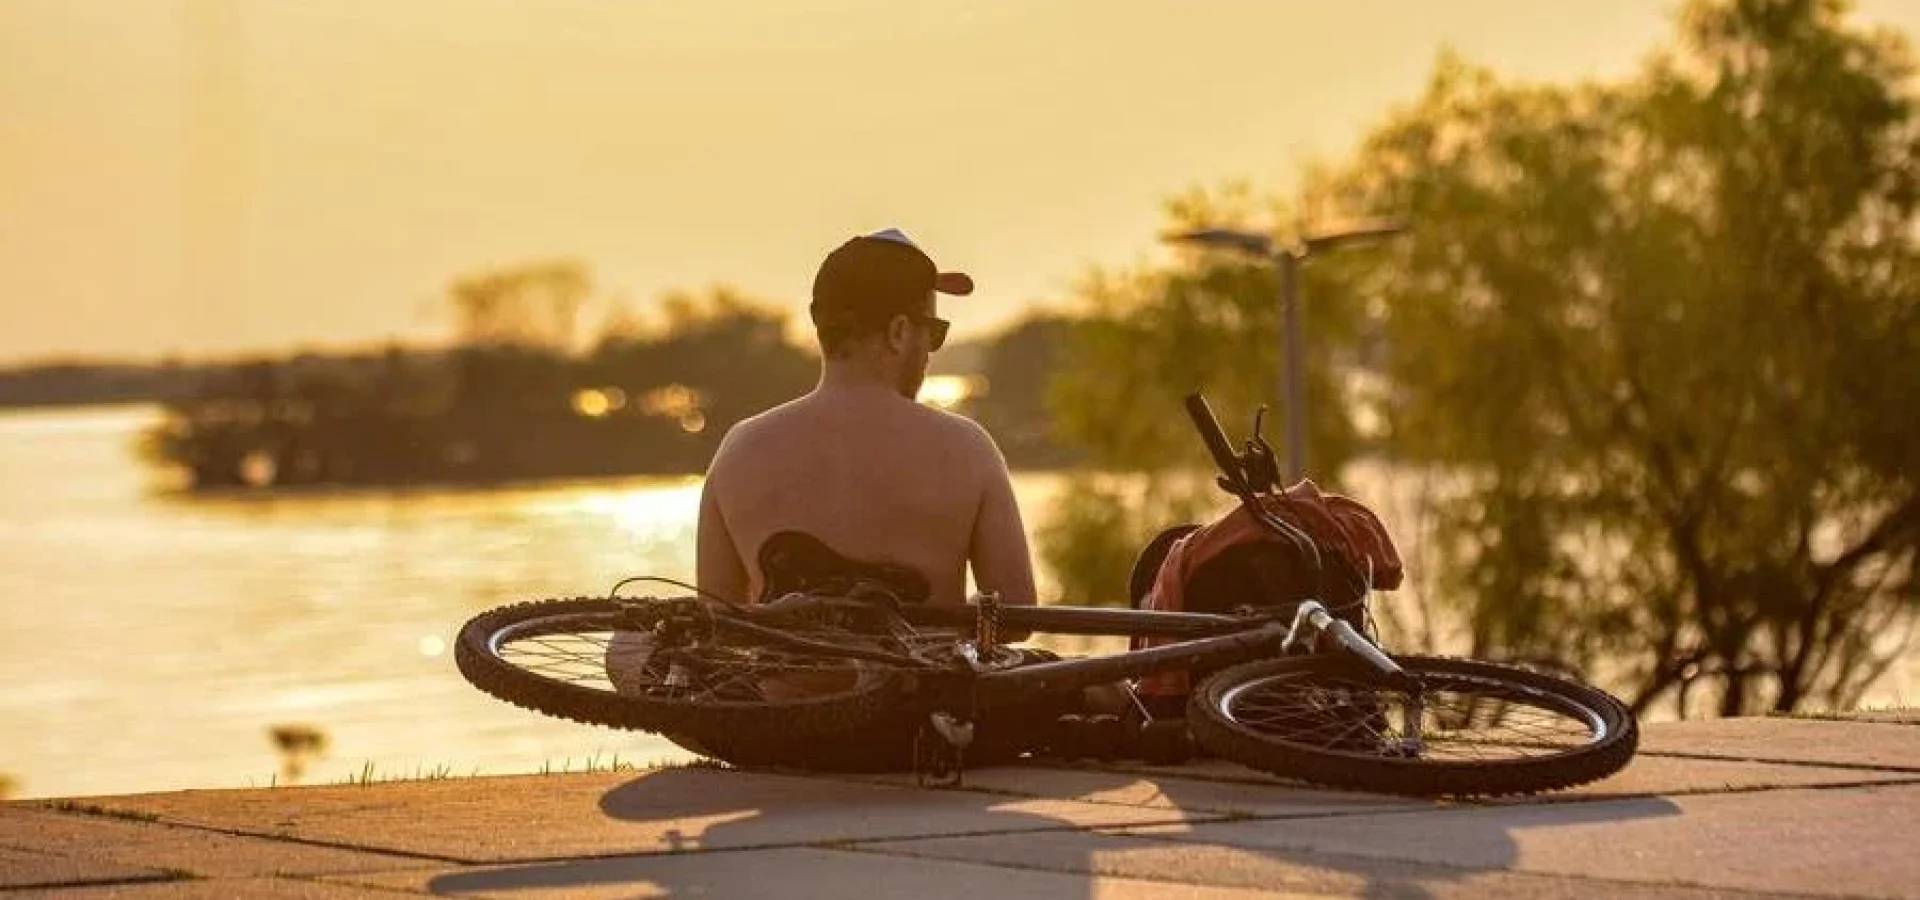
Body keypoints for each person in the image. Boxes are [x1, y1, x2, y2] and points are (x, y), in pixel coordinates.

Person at [695, 228, 1038, 614]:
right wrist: (970, 611)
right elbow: (1017, 612)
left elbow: (715, 622)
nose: (929, 352)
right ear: (899, 332)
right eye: (933, 332)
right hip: (927, 657)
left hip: (782, 657)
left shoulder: (739, 450)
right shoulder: (966, 449)